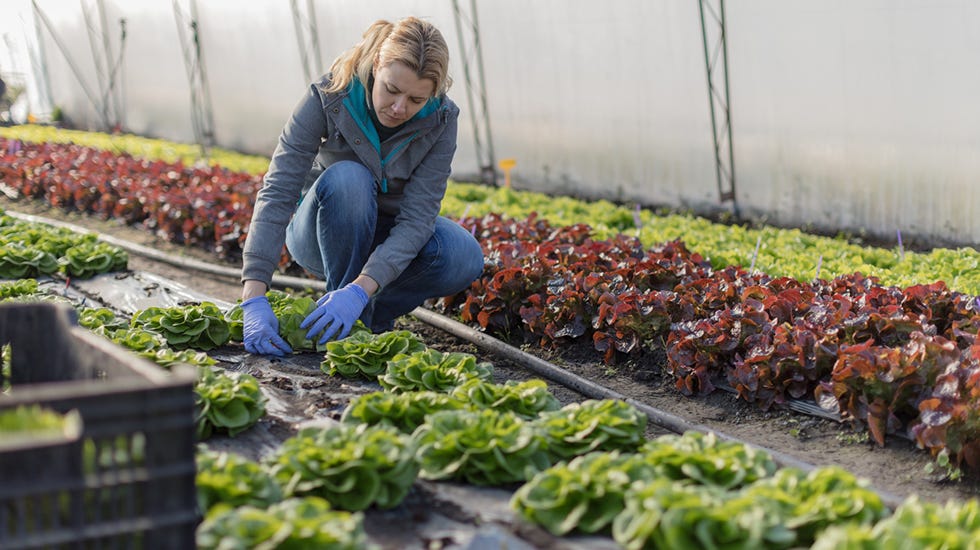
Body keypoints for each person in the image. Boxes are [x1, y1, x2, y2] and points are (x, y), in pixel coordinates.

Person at [239, 17, 485, 356]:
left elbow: (417, 218)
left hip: (386, 236)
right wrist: (253, 295)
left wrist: (360, 291)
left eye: (416, 100)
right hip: (323, 229)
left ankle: (364, 316)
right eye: (392, 90)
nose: (400, 108)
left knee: (462, 254)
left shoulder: (442, 119)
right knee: (349, 178)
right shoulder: (329, 96)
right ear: (376, 67)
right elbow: (279, 189)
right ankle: (345, 320)